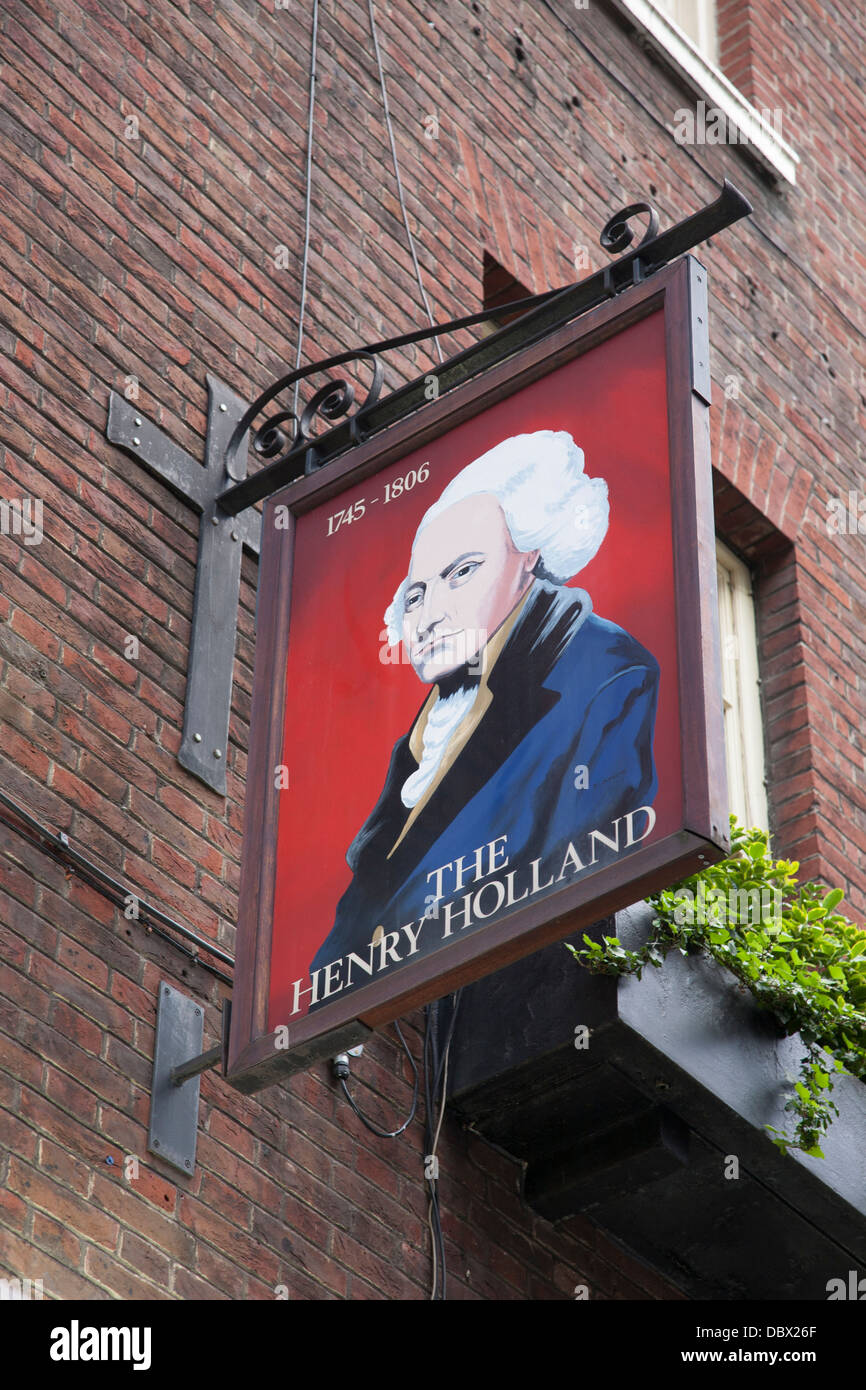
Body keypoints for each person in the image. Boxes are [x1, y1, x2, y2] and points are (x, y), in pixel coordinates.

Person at [307, 429, 659, 998]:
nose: (428, 615)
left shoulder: (604, 673)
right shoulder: (431, 727)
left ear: (530, 559)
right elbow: (363, 908)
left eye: (462, 572)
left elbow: (579, 890)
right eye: (416, 595)